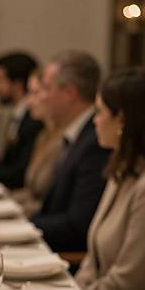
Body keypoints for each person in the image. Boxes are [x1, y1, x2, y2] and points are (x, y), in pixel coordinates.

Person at [75, 68, 145, 290]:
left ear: (122, 120)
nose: (95, 120)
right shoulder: (121, 169)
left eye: (99, 112)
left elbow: (124, 288)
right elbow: (92, 258)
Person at [31, 51, 110, 251]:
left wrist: (21, 226)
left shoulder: (95, 142)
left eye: (46, 88)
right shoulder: (77, 135)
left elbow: (77, 227)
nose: (41, 96)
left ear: (70, 93)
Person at [0, 52, 43, 189]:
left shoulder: (34, 120)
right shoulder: (18, 114)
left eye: (0, 81)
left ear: (17, 84)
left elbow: (19, 173)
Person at [12, 70, 63, 216]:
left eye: (35, 93)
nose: (29, 101)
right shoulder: (43, 135)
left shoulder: (63, 141)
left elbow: (47, 203)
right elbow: (30, 192)